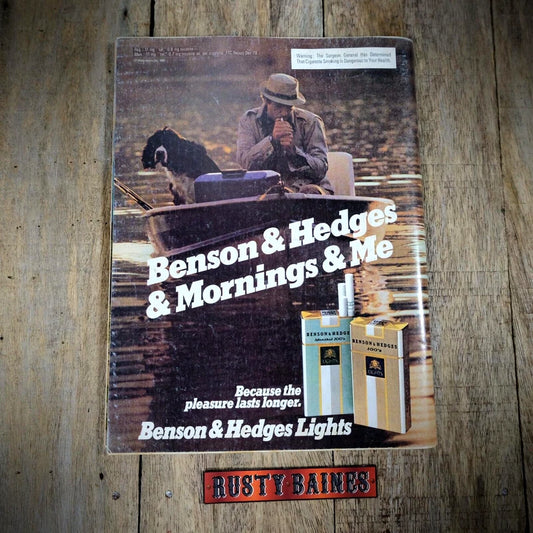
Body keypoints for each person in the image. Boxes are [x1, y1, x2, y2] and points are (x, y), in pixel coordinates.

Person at [237, 73, 333, 194]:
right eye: (278, 107)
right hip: (267, 189)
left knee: (309, 191)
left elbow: (321, 169)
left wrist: (294, 153)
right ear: (266, 100)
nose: (284, 113)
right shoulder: (249, 120)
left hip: (309, 188)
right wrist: (271, 141)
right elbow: (245, 163)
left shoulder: (311, 122)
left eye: (289, 107)